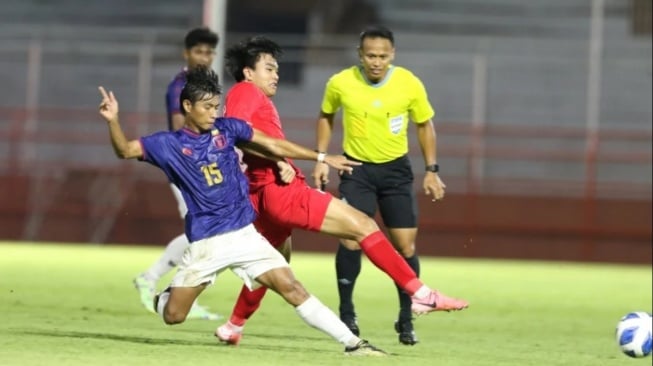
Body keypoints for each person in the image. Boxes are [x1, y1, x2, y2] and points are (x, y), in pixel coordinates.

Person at [97, 66, 386, 356]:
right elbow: (125, 150)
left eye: (216, 107)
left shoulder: (227, 128)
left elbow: (272, 143)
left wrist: (321, 156)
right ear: (187, 106)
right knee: (174, 316)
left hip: (246, 235)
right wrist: (113, 121)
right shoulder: (167, 145)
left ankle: (353, 344)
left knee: (292, 287)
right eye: (207, 107)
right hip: (208, 244)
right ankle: (166, 297)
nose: (214, 113)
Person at [214, 36, 468, 346]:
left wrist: (276, 158)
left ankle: (233, 326)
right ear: (247, 72)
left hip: (264, 193)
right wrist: (301, 158)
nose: (275, 74)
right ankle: (421, 294)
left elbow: (246, 137)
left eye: (277, 69)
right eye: (269, 68)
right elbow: (234, 133)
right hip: (280, 192)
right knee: (362, 226)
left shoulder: (252, 96)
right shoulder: (246, 91)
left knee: (272, 264)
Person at [311, 25, 446, 345]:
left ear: (393, 55)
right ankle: (346, 312)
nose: (376, 62)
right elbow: (326, 115)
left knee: (406, 247)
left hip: (396, 172)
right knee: (351, 241)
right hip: (355, 169)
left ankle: (406, 316)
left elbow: (425, 125)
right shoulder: (340, 82)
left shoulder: (408, 83)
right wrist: (320, 158)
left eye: (383, 56)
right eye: (370, 55)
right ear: (360, 55)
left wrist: (431, 169)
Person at [132, 27, 222, 320]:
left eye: (209, 52)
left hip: (199, 167)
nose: (204, 57)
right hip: (186, 168)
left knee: (201, 232)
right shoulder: (180, 87)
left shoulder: (204, 85)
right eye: (199, 51)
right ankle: (161, 282)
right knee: (201, 232)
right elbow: (178, 129)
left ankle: (166, 284)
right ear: (187, 53)